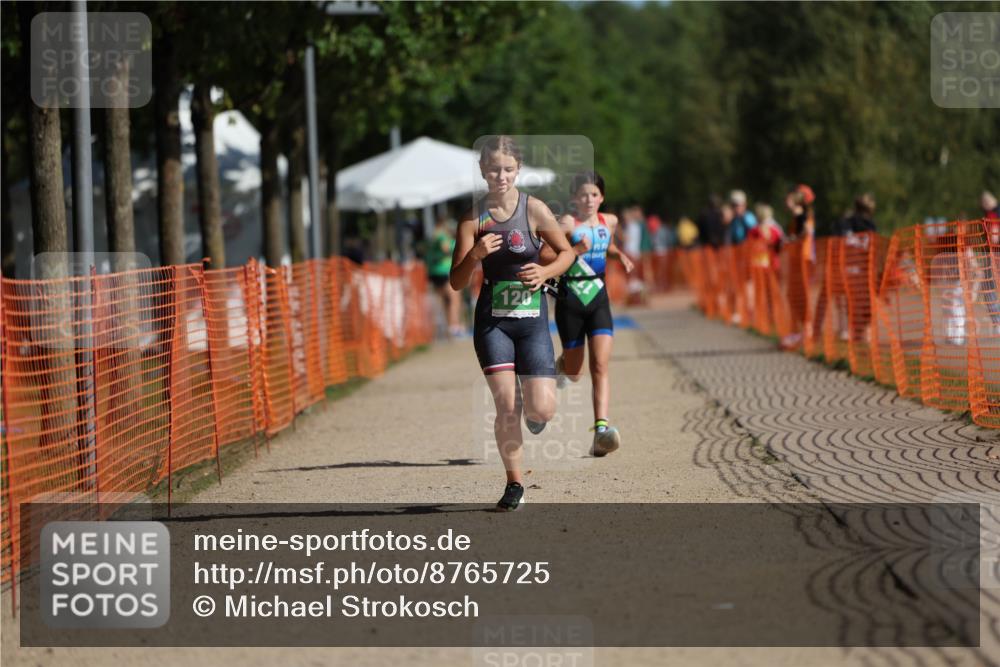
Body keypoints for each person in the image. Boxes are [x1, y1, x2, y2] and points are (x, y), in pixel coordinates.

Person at [449, 136, 575, 511]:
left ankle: (544, 395)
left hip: (532, 320)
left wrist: (546, 270)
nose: (500, 176)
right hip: (493, 324)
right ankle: (514, 483)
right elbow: (456, 282)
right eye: (493, 169)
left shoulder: (534, 209)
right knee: (506, 405)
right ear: (483, 172)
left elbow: (567, 252)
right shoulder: (472, 219)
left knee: (540, 410)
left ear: (518, 169)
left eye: (507, 169)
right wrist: (474, 255)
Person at [541, 171, 634, 458]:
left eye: (594, 194)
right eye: (583, 194)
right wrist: (572, 249)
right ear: (574, 198)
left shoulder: (611, 221)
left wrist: (619, 255)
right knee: (575, 373)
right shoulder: (567, 223)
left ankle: (601, 431)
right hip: (571, 300)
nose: (589, 199)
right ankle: (561, 365)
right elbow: (544, 255)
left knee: (601, 366)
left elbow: (607, 244)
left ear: (602, 197)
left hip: (599, 300)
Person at [425, 214, 465, 338]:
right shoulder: (442, 236)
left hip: (435, 272)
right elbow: (446, 249)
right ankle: (454, 326)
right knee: (455, 299)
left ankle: (446, 327)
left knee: (444, 301)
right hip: (444, 271)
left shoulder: (435, 236)